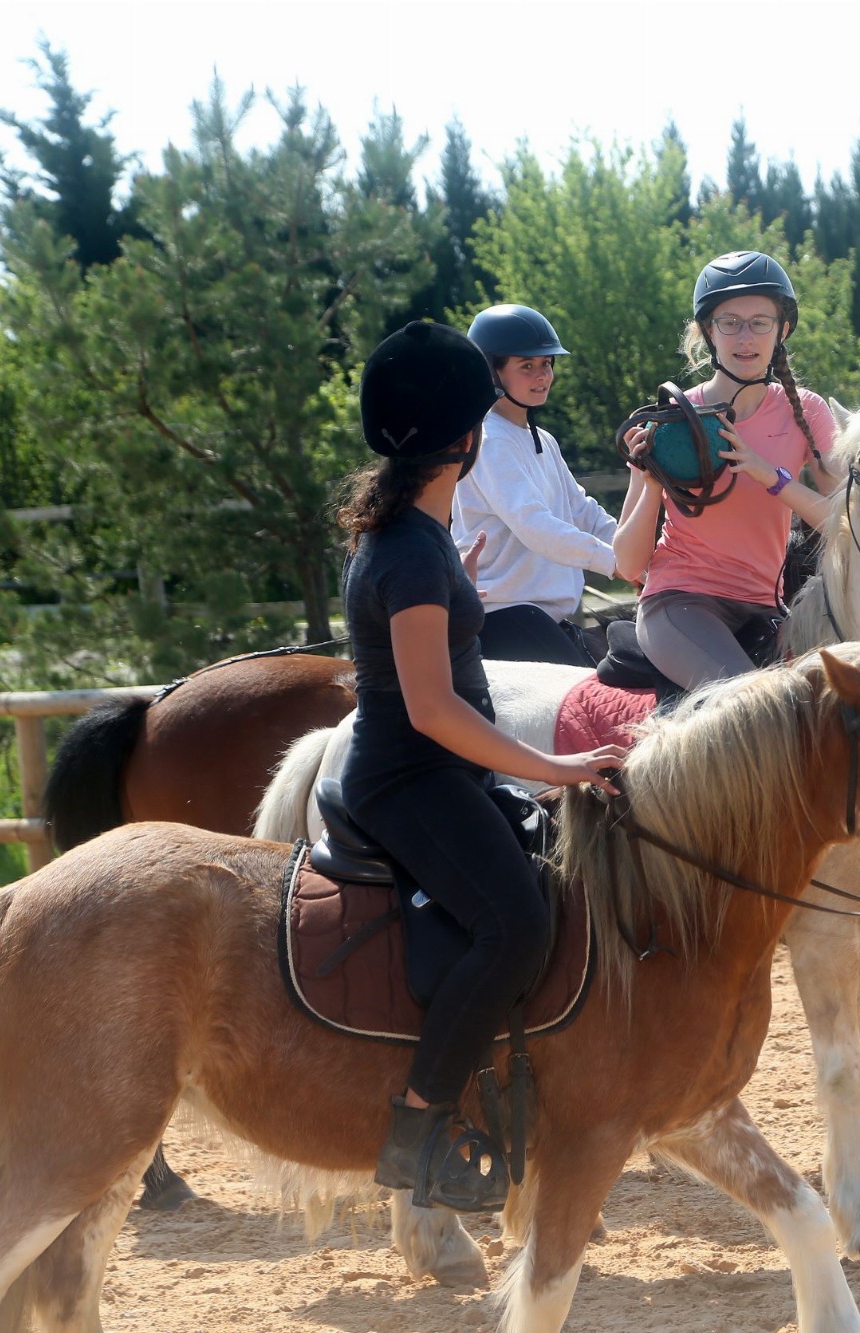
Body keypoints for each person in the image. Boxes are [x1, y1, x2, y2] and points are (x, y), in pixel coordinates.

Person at [339, 321, 625, 1210]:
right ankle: (421, 1123)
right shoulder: (414, 555)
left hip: (430, 770)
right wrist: (556, 763)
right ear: (465, 439)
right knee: (516, 925)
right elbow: (431, 709)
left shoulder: (416, 540)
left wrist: (452, 586)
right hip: (409, 779)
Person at [612, 251, 841, 689]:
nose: (745, 337)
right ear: (707, 332)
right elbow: (627, 564)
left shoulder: (807, 411)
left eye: (760, 322)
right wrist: (645, 479)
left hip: (767, 609)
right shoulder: (672, 420)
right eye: (729, 322)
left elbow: (840, 523)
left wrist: (769, 474)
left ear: (783, 329)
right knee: (758, 706)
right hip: (680, 602)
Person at [453, 303, 618, 666]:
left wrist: (639, 549)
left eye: (546, 364)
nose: (542, 375)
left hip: (543, 619)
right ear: (492, 372)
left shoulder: (541, 437)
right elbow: (535, 525)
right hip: (504, 616)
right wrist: (616, 562)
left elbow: (582, 511)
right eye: (526, 366)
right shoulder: (489, 439)